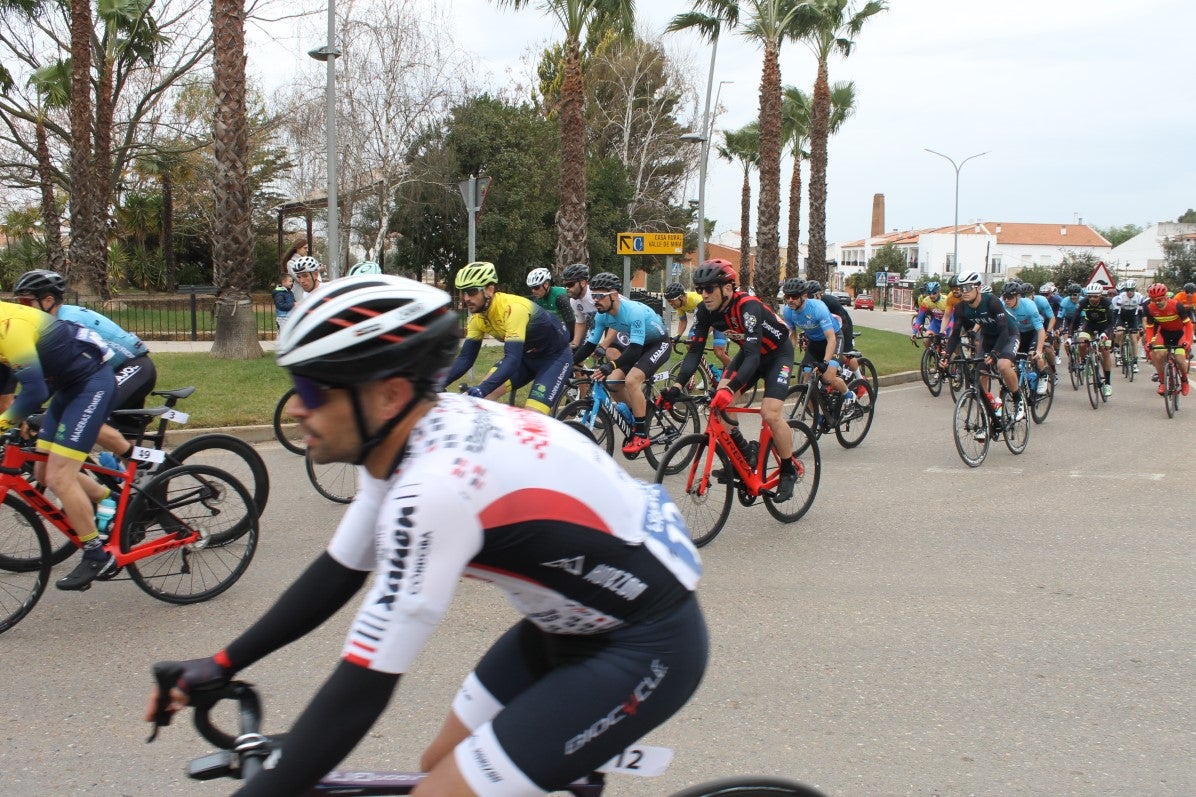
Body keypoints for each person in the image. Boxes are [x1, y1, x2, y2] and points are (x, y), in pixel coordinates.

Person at [143, 274, 708, 797]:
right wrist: (222, 662)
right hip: (562, 623)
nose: (296, 411)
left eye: (314, 393)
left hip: (645, 644)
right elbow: (340, 571)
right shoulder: (403, 442)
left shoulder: (435, 488)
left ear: (387, 397)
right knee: (439, 760)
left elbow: (363, 685)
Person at [0, 300, 116, 590]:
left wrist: (4, 423)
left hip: (91, 383)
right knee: (41, 473)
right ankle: (109, 497)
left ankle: (95, 554)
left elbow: (35, 391)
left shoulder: (9, 327)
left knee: (59, 477)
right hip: (67, 386)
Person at [661, 260, 800, 502]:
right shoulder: (706, 311)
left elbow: (754, 357)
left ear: (727, 288)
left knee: (770, 413)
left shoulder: (748, 307)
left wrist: (732, 388)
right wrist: (676, 387)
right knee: (718, 407)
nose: (704, 295)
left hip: (777, 355)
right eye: (700, 289)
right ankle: (746, 455)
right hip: (748, 355)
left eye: (709, 288)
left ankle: (789, 469)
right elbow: (695, 351)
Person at [11, 268, 157, 456]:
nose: (22, 309)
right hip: (109, 374)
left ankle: (148, 461)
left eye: (25, 302)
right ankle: (147, 480)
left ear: (47, 301)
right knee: (123, 445)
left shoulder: (65, 323)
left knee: (82, 418)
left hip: (133, 368)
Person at [445, 261, 572, 415]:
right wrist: (436, 384)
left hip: (554, 359)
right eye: (462, 292)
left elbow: (512, 359)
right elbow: (465, 358)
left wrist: (482, 388)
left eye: (471, 292)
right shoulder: (476, 318)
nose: (465, 298)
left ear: (489, 290)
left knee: (531, 417)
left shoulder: (512, 309)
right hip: (526, 357)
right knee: (475, 401)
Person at [571, 272, 671, 455]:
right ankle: (639, 414)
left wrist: (612, 365)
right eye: (593, 296)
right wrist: (569, 364)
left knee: (632, 380)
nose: (595, 301)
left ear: (614, 295)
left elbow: (633, 349)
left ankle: (641, 433)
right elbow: (589, 346)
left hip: (658, 343)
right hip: (639, 345)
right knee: (612, 383)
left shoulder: (634, 312)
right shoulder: (602, 316)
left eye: (600, 296)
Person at [941, 271, 1022, 435]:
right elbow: (955, 334)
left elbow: (1004, 331)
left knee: (1003, 365)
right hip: (989, 338)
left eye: (968, 287)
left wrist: (995, 353)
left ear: (977, 288)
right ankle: (987, 418)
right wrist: (946, 356)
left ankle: (1017, 398)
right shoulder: (961, 308)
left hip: (1008, 335)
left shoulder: (992, 302)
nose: (964, 291)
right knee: (979, 377)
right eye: (961, 288)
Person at [780, 278, 853, 408]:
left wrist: (825, 363)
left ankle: (849, 396)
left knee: (828, 377)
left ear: (804, 296)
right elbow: (792, 336)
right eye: (787, 296)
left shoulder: (818, 308)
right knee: (805, 380)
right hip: (815, 342)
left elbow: (831, 338)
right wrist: (787, 357)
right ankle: (817, 421)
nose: (790, 300)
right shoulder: (788, 311)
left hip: (833, 339)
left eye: (794, 296)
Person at [664, 281, 730, 375]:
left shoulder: (696, 300)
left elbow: (711, 321)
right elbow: (683, 321)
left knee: (719, 351)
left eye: (671, 300)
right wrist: (677, 336)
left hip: (718, 319)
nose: (670, 303)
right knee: (690, 346)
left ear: (681, 297)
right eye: (668, 301)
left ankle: (736, 373)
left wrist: (702, 336)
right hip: (702, 320)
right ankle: (709, 372)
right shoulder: (679, 305)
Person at [1141, 282, 1192, 396]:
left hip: (1180, 333)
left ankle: (1184, 379)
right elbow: (1150, 327)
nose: (1157, 302)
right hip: (1164, 333)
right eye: (1154, 300)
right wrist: (1149, 342)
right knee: (1158, 355)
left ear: (1166, 297)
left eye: (1160, 299)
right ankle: (1162, 382)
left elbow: (1188, 325)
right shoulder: (1150, 308)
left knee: (1179, 359)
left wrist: (1188, 341)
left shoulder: (1177, 306)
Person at [1075, 281, 1116, 398]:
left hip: (1105, 327)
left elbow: (1111, 323)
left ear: (1100, 295)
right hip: (1089, 326)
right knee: (1082, 344)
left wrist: (1105, 333)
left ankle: (1107, 383)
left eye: (1095, 296)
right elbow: (1075, 318)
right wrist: (1068, 337)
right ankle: (1085, 363)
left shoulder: (1107, 303)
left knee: (1104, 350)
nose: (1092, 299)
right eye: (1090, 296)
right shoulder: (1083, 302)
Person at [560, 263, 596, 351]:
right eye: (565, 285)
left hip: (623, 324)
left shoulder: (594, 295)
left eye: (570, 284)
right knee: (576, 355)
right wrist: (575, 343)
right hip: (600, 326)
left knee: (611, 352)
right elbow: (580, 322)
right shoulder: (574, 301)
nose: (567, 288)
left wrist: (605, 345)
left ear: (583, 283)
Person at [526, 267, 574, 332]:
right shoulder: (537, 299)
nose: (533, 291)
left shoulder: (560, 297)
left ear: (546, 284)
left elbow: (571, 323)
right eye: (531, 288)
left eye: (536, 287)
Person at [1110, 280, 1144, 374]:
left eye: (1131, 290)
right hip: (1122, 316)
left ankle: (1135, 362)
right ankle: (1121, 354)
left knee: (1134, 338)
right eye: (1127, 290)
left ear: (1134, 290)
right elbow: (1116, 313)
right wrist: (1114, 325)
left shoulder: (1139, 297)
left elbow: (1141, 313)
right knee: (1120, 333)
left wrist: (1140, 325)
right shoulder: (1121, 297)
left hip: (1133, 316)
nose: (1129, 292)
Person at [912, 281, 947, 345]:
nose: (931, 295)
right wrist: (914, 332)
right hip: (936, 323)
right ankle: (930, 353)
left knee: (949, 346)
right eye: (929, 293)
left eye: (934, 293)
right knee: (926, 341)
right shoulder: (925, 301)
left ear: (939, 291)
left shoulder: (946, 300)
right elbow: (920, 318)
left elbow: (952, 318)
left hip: (948, 324)